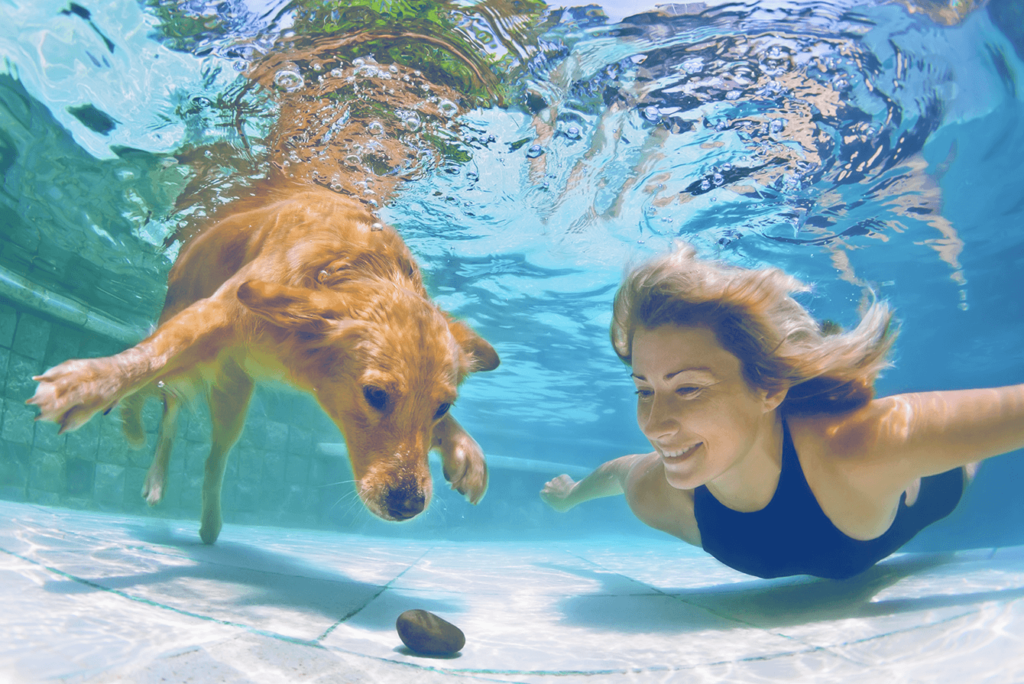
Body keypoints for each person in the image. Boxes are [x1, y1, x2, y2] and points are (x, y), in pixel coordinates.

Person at [540, 242, 1024, 580]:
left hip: (928, 483)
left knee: (950, 450)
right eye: (645, 390)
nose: (656, 425)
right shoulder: (657, 494)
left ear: (769, 389)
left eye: (688, 389)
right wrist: (569, 496)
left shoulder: (861, 446)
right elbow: (620, 472)